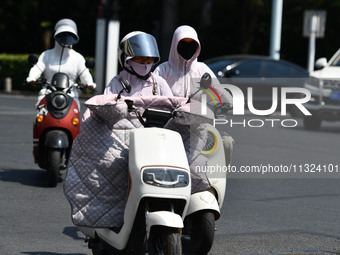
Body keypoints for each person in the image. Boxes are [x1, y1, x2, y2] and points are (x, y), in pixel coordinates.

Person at [154, 25, 235, 165]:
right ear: (175, 44)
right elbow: (152, 95)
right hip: (168, 127)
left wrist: (215, 91)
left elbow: (226, 99)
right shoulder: (163, 70)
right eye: (183, 43)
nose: (188, 47)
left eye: (192, 44)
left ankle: (215, 182)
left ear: (198, 46)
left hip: (198, 128)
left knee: (226, 142)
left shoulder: (202, 69)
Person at [26, 18, 96, 109]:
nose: (65, 38)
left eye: (69, 35)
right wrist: (32, 77)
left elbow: (84, 73)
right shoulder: (46, 55)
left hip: (71, 96)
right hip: (47, 93)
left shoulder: (78, 57)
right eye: (62, 35)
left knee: (74, 119)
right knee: (40, 117)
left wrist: (89, 83)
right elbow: (37, 68)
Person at [104, 31, 173, 97]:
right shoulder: (116, 83)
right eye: (141, 59)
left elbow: (173, 106)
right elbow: (106, 106)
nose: (145, 64)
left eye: (149, 60)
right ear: (127, 60)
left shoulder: (159, 83)